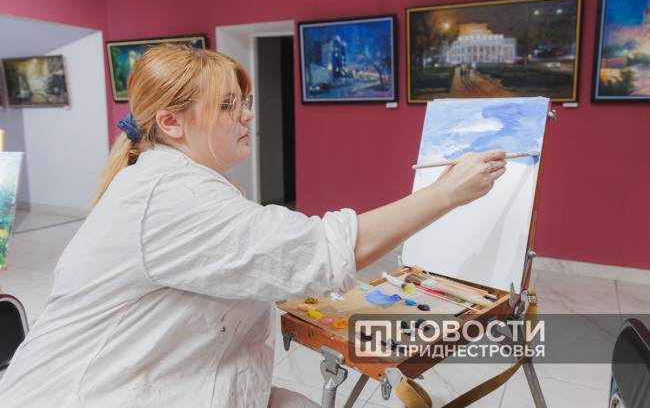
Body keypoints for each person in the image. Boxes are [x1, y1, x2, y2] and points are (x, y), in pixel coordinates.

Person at [0, 44, 506, 408]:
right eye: (227, 105)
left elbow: (261, 264)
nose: (246, 115)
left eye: (242, 101)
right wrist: (445, 194)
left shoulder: (186, 183)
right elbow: (321, 250)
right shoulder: (169, 196)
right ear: (171, 123)